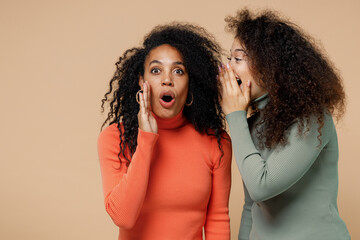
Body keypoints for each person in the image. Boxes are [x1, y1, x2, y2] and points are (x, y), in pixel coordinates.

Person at [219, 9, 350, 240]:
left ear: (270, 66)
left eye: (237, 59)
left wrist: (234, 115)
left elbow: (262, 186)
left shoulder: (312, 118)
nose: (228, 68)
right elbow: (252, 206)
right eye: (229, 58)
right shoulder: (249, 124)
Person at [98, 23, 232, 240]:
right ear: (142, 81)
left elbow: (218, 219)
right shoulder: (115, 138)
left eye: (178, 71)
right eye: (156, 70)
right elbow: (123, 218)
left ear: (190, 84)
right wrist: (146, 141)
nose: (167, 79)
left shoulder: (216, 142)